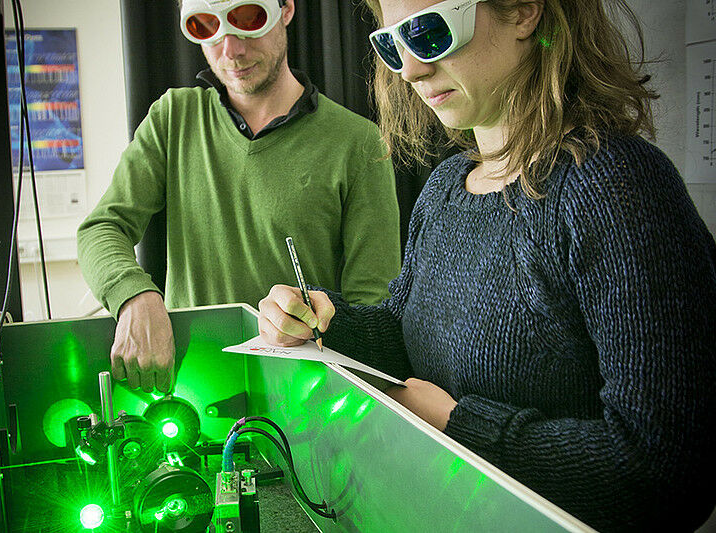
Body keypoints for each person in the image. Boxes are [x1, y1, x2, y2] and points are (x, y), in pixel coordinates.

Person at [257, 0, 716, 530]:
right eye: (392, 45)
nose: (410, 70)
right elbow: (408, 336)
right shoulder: (445, 187)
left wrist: (458, 427)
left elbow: (668, 470)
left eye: (428, 33)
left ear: (523, 12)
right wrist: (325, 321)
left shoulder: (615, 187)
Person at [77, 0, 401, 394]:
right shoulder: (174, 118)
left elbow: (373, 311)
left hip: (306, 399)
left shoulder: (358, 143)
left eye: (248, 20)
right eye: (205, 27)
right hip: (190, 398)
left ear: (286, 9)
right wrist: (134, 296)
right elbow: (102, 228)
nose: (230, 50)